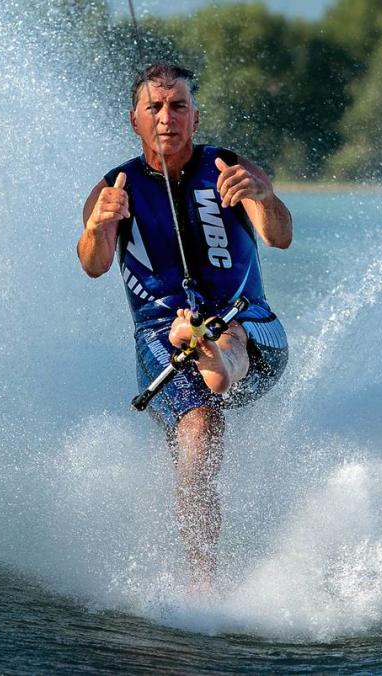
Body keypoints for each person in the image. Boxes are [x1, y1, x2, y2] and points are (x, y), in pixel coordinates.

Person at [77, 63, 292, 592]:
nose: (166, 117)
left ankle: (217, 352)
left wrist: (262, 195)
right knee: (198, 427)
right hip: (158, 337)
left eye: (177, 107)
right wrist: (100, 224)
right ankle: (203, 580)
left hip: (254, 327)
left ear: (195, 117)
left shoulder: (229, 168)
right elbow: (94, 263)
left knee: (227, 336)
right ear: (135, 119)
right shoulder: (114, 186)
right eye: (154, 107)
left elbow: (279, 236)